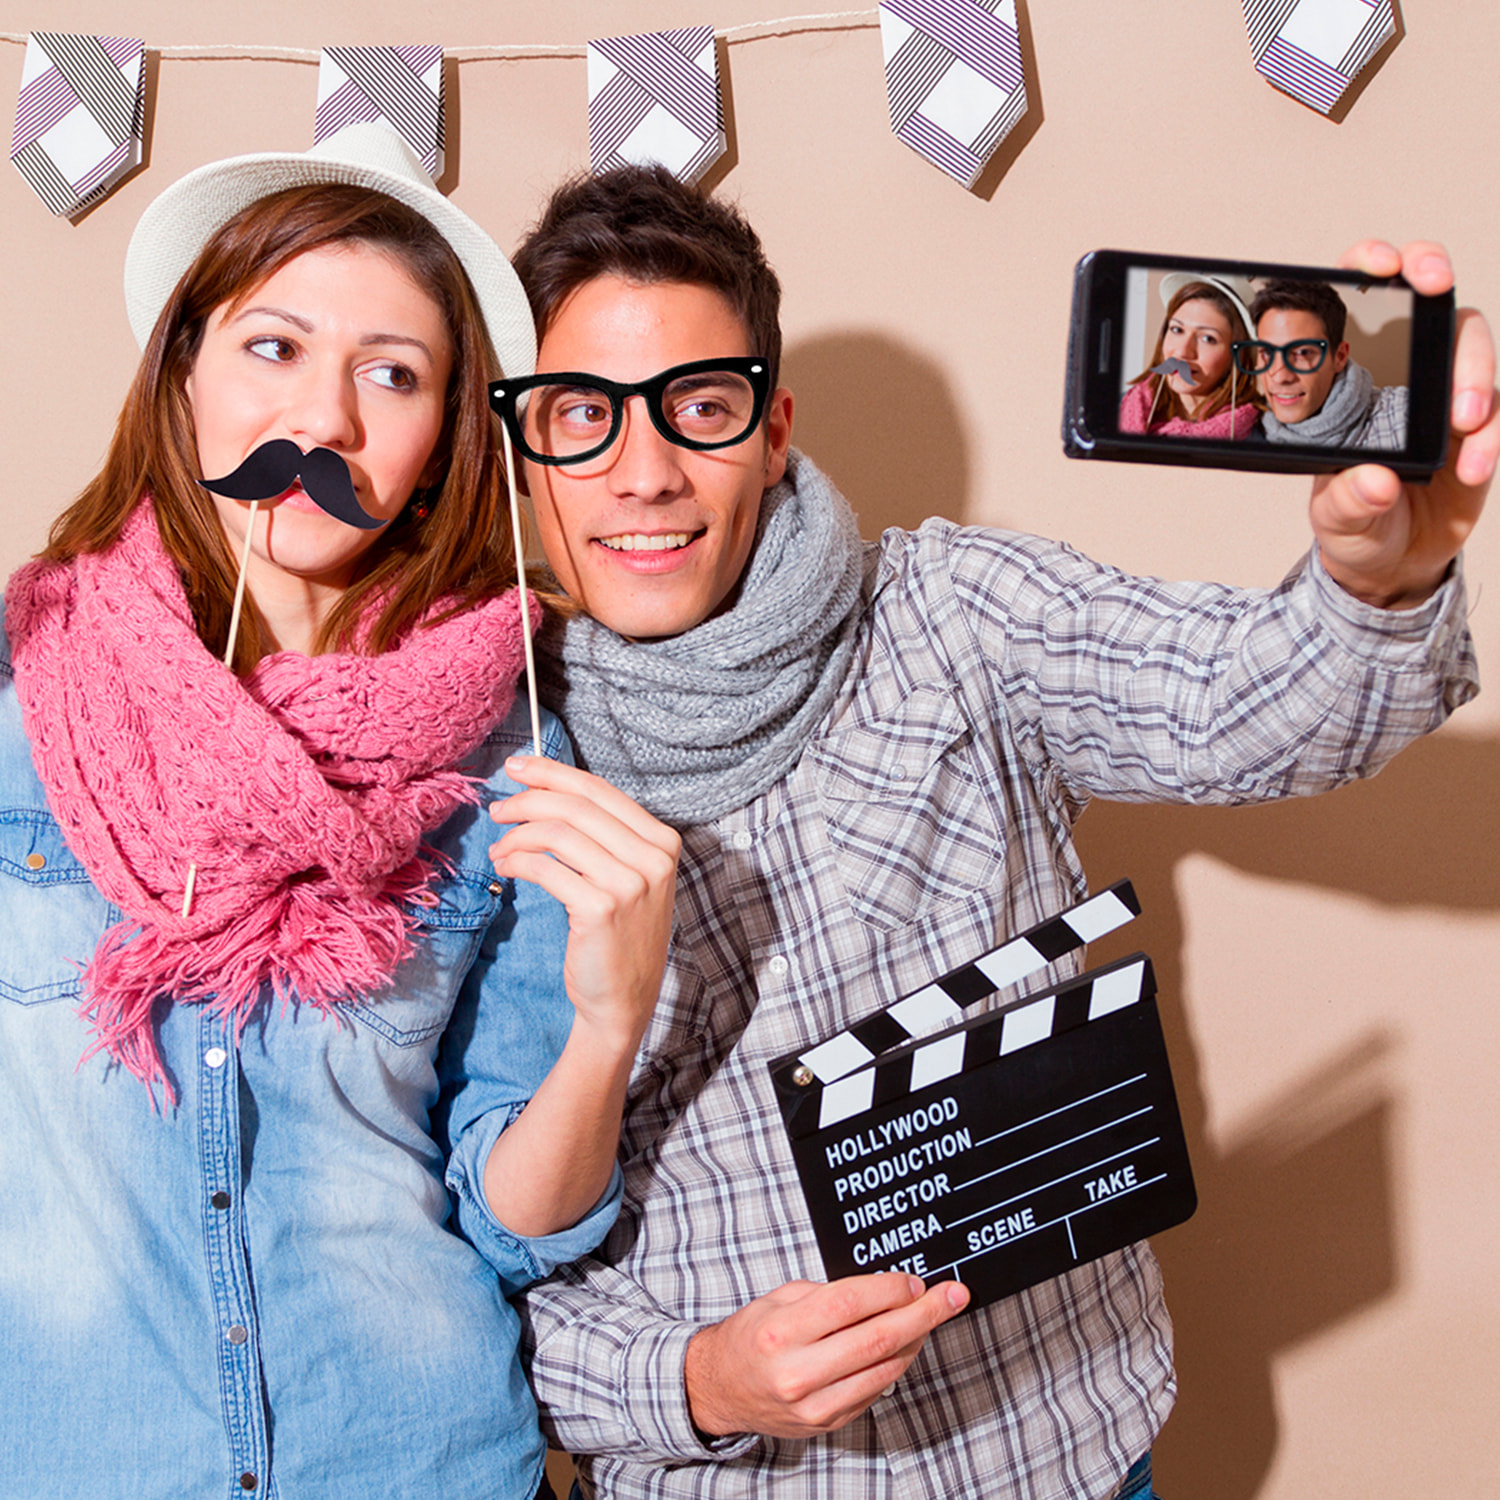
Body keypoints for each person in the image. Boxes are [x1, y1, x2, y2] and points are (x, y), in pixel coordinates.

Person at [495, 166, 1493, 1500]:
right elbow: (445, 1271)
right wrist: (696, 1382)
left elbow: (1250, 706)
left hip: (1061, 1452)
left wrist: (1378, 580)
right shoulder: (476, 774)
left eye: (701, 406)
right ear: (520, 444)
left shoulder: (956, 613)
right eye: (580, 416)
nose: (645, 472)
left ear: (773, 426)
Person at [0, 126, 678, 1500]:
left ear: (439, 444)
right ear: (181, 371)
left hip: (420, 1460)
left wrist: (610, 1026)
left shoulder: (520, 751)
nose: (326, 421)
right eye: (274, 348)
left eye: (394, 374)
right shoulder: (19, 688)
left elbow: (511, 1219)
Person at [1243, 277, 1409, 448]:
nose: (1280, 377)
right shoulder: (1244, 430)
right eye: (1267, 353)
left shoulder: (1401, 416)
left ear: (1340, 357)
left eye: (1303, 353)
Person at [1118, 273, 1263, 438]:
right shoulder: (1112, 413)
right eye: (1177, 330)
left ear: (1236, 355)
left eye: (1208, 339)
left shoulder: (1259, 438)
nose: (1182, 352)